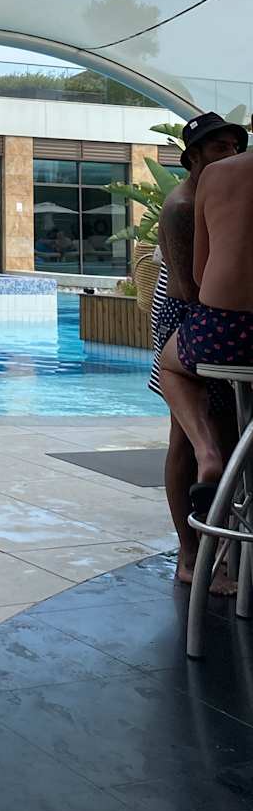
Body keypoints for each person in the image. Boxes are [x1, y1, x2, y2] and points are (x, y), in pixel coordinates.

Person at [150, 113, 246, 586]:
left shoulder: (222, 188)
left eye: (234, 146)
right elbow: (190, 288)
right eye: (217, 148)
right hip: (187, 315)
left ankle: (222, 549)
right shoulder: (182, 205)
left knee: (226, 433)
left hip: (213, 319)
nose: (229, 154)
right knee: (184, 437)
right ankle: (190, 555)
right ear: (192, 157)